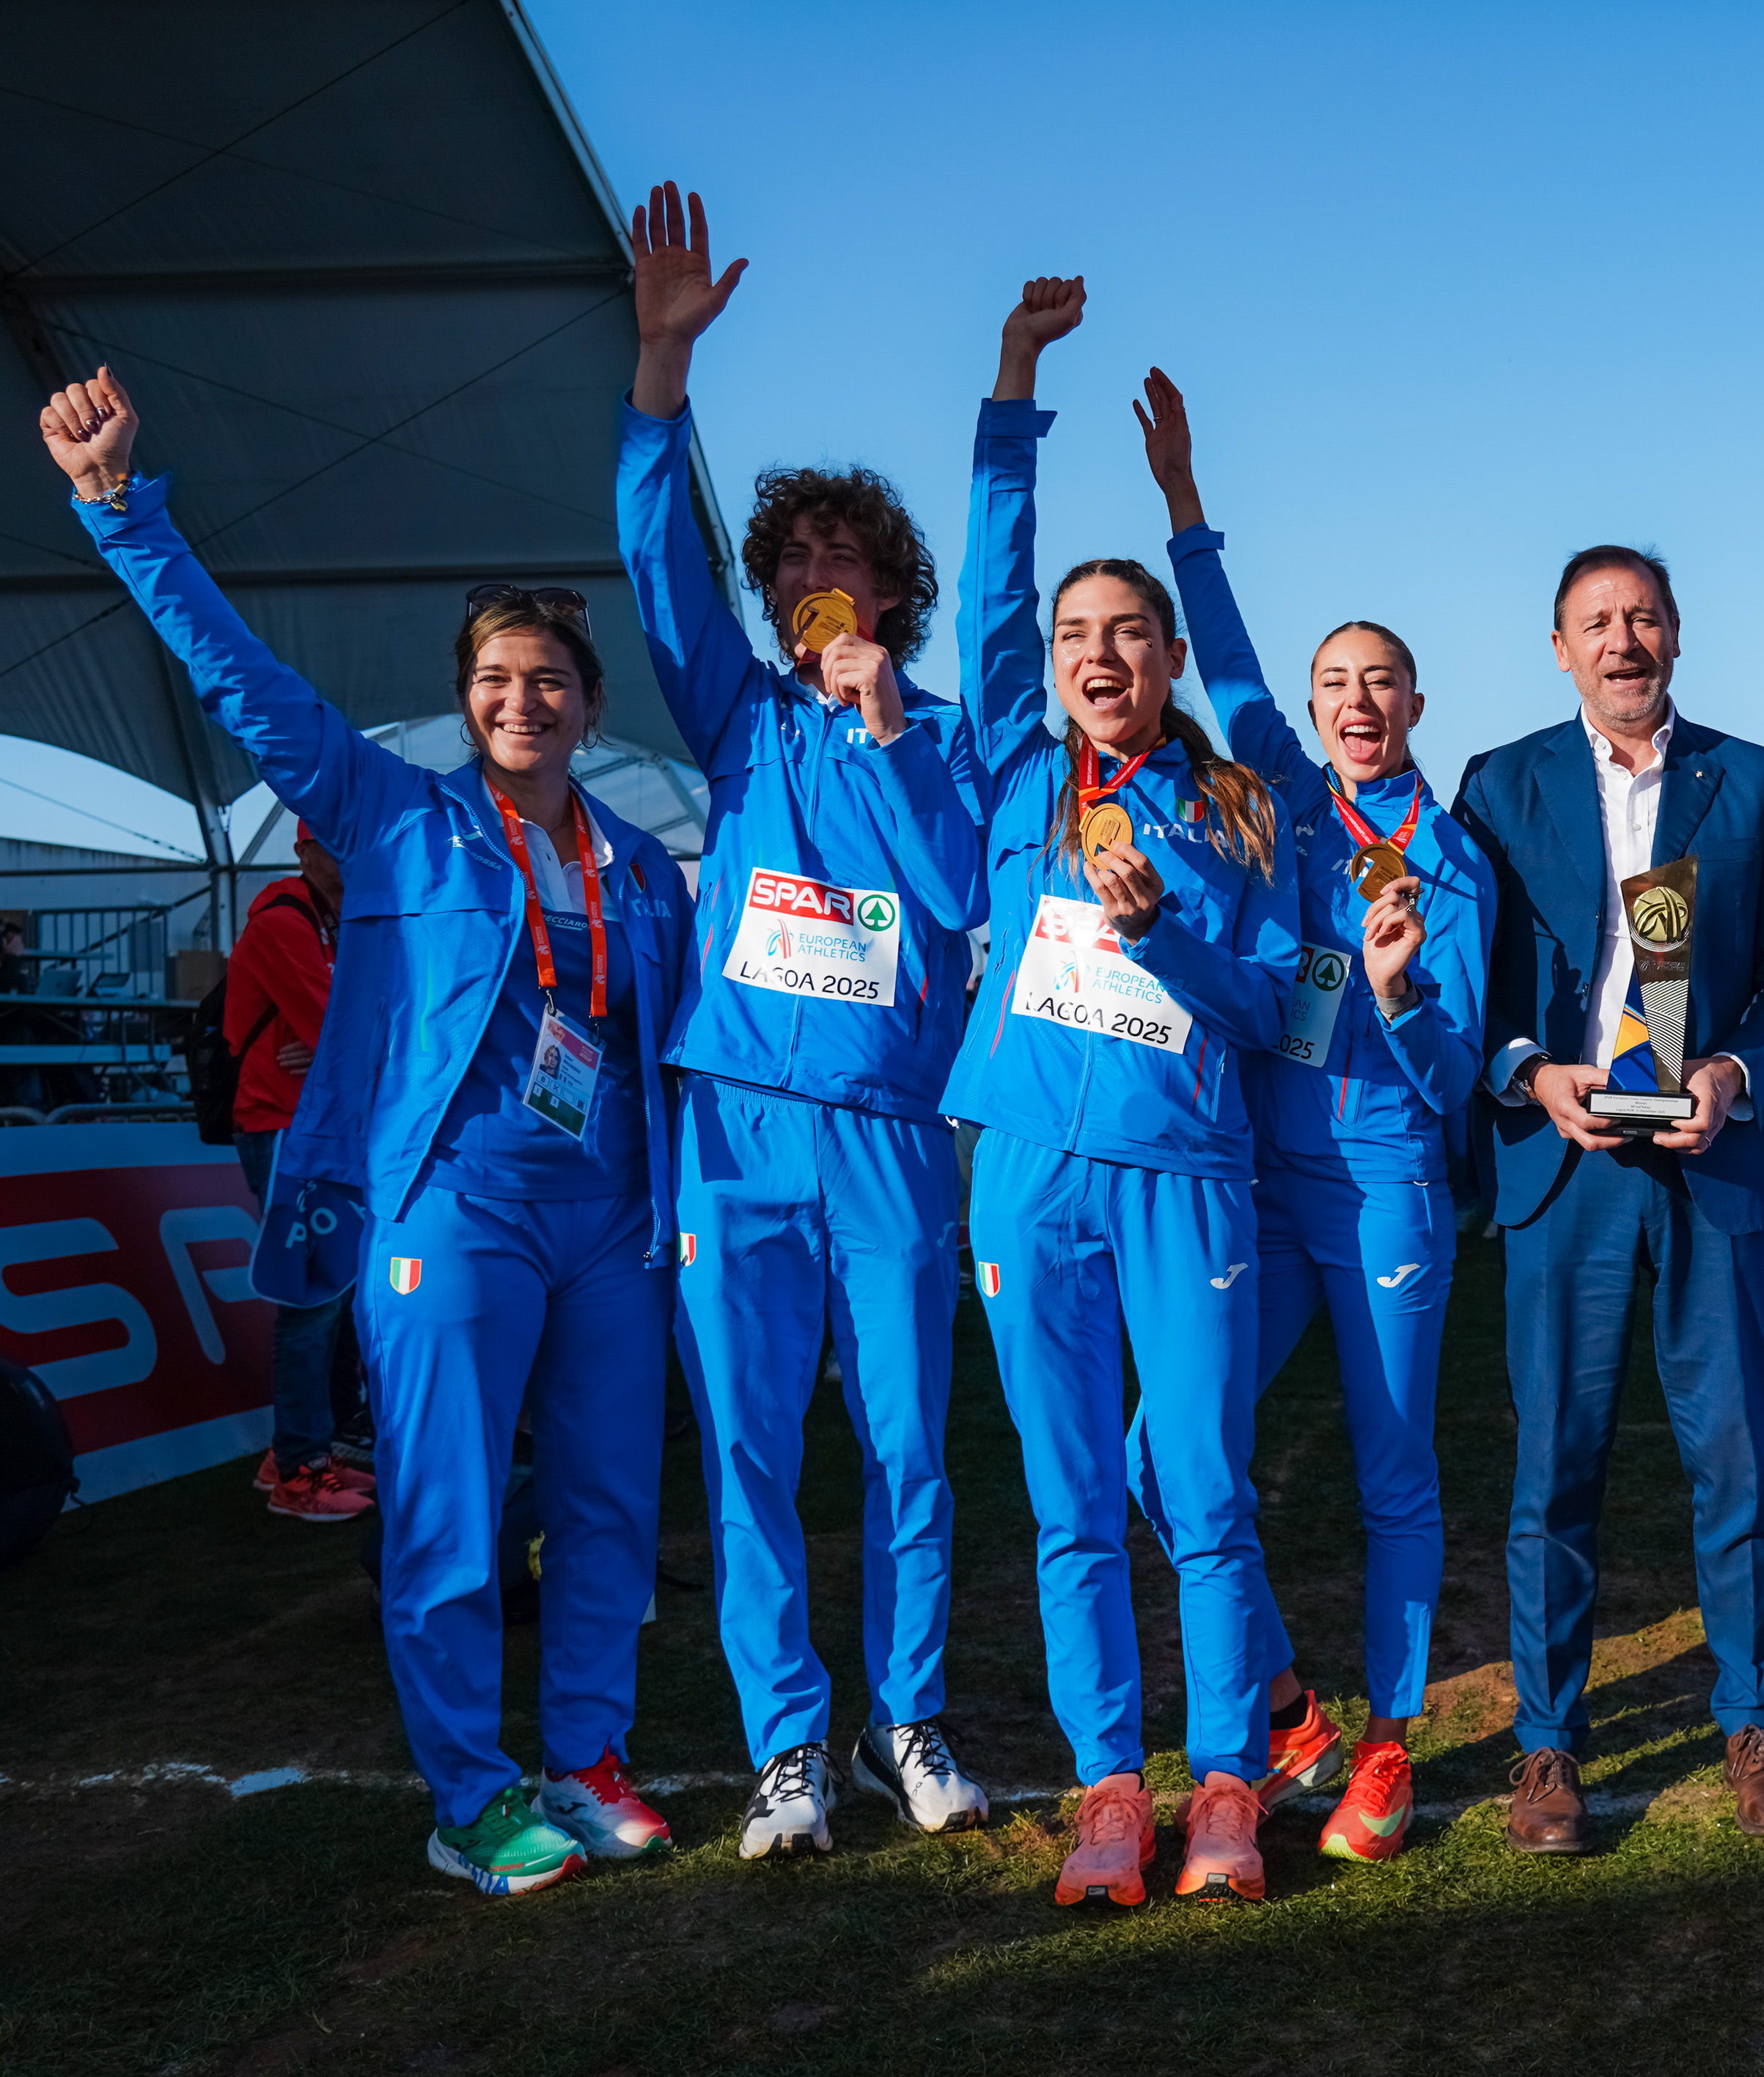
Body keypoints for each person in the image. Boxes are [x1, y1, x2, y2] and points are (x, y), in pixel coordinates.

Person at [43, 364, 689, 1897]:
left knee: (608, 1500)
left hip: (612, 1214)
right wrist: (121, 511)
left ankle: (589, 1757)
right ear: (466, 701)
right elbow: (239, 680)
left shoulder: (647, 868)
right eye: (496, 680)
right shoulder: (394, 813)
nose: (523, 700)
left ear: (591, 704)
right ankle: (470, 1795)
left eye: (550, 679)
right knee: (450, 1509)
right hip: (453, 1207)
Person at [619, 183, 993, 1859]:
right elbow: (656, 563)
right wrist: (662, 372)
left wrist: (891, 725)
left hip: (891, 1130)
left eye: (842, 561)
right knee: (748, 1449)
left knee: (908, 1445)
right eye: (792, 567)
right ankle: (787, 1743)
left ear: (891, 593)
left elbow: (957, 878)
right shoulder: (737, 715)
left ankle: (907, 1718)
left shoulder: (946, 734)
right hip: (735, 1129)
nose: (813, 583)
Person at [946, 281, 1302, 1909]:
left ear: (1167, 659)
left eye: (1128, 633)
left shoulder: (1232, 808)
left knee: (1207, 1493)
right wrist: (1013, 383)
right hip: (1028, 1169)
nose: (1099, 654)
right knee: (1072, 1500)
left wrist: (1166, 941)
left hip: (1185, 1179)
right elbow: (988, 595)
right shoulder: (1020, 776)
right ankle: (1108, 1786)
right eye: (1078, 636)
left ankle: (1225, 1782)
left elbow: (1273, 1006)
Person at [1136, 370, 1495, 1863]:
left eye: (1381, 681)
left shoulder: (1453, 862)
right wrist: (1184, 506)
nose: (1355, 700)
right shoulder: (1276, 794)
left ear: (1416, 706)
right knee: (1165, 1451)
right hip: (1259, 1186)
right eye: (1335, 678)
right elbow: (1220, 660)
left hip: (1387, 1188)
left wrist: (1400, 995)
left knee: (1391, 1469)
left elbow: (1457, 1075)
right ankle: (1288, 1707)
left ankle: (1390, 1743)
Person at [1453, 542, 1764, 1862]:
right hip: (1568, 1167)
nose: (1623, 640)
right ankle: (1549, 1740)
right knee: (1555, 1465)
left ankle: (1755, 1725)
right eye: (1597, 621)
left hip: (1709, 1157)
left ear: (1677, 635)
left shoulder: (1756, 778)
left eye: (1644, 617)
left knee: (1737, 1460)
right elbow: (1470, 976)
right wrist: (1526, 1070)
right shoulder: (1498, 785)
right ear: (1559, 647)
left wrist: (1732, 1069)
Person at [227, 820, 367, 1523]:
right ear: (305, 851)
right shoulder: (286, 921)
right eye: (335, 841)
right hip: (286, 1128)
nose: (352, 852)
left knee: (331, 1294)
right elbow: (341, 1026)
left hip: (317, 1127)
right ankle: (298, 1469)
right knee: (311, 1300)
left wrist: (345, 1040)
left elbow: (364, 1022)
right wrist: (344, 1040)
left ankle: (302, 1452)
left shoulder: (337, 919)